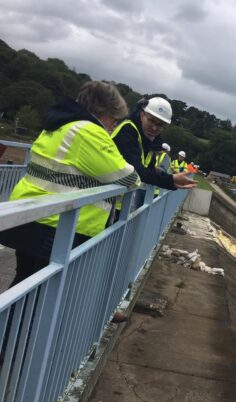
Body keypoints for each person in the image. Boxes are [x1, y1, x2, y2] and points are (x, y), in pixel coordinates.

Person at [0, 81, 140, 288]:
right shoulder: (89, 132)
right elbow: (127, 177)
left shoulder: (60, 124)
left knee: (24, 284)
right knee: (38, 294)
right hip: (58, 224)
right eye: (114, 119)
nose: (114, 126)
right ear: (103, 112)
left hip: (32, 212)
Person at [112, 98, 195, 201]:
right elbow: (136, 171)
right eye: (151, 121)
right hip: (103, 197)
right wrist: (171, 179)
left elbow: (150, 169)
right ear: (142, 115)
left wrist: (172, 181)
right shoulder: (128, 131)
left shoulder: (150, 141)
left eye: (160, 125)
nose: (155, 128)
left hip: (119, 201)